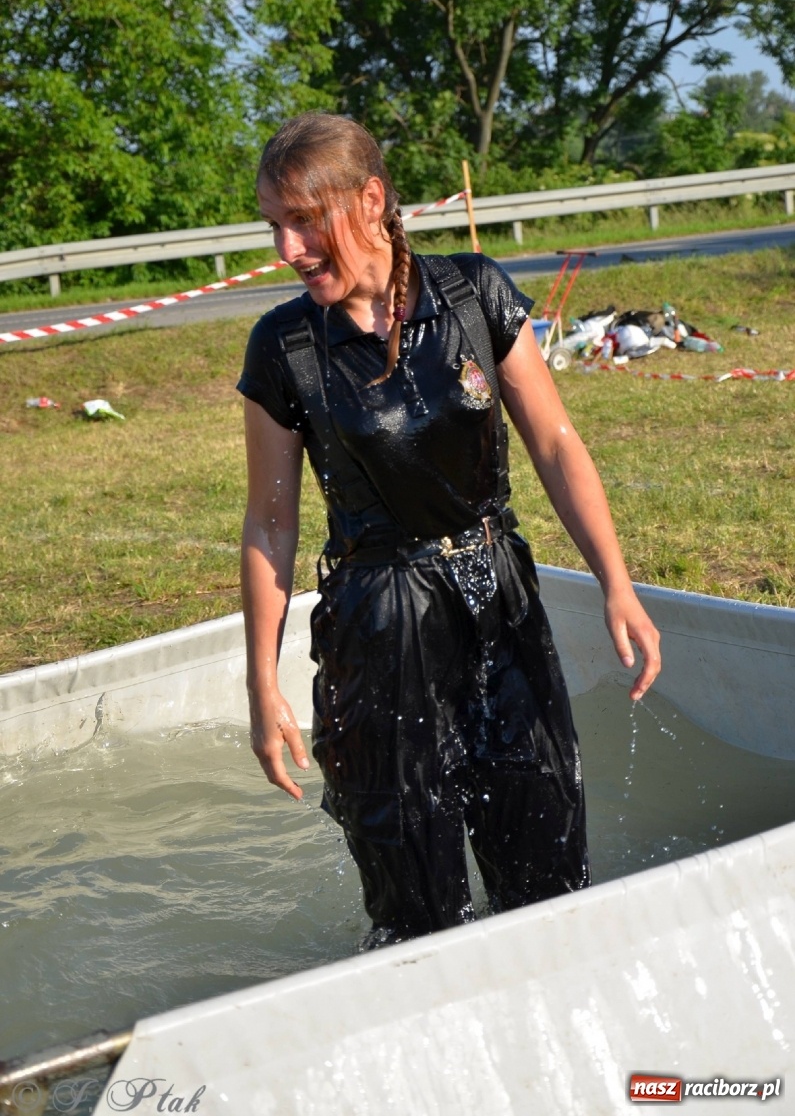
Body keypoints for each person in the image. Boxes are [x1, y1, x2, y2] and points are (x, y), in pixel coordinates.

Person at [237, 111, 661, 945]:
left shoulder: (473, 295)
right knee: (414, 909)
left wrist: (616, 582)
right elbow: (268, 525)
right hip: (377, 621)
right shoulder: (284, 346)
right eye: (274, 226)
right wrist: (260, 681)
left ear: (369, 200)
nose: (285, 250)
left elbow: (556, 444)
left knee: (546, 867)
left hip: (496, 594)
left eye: (302, 221)